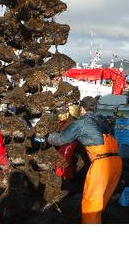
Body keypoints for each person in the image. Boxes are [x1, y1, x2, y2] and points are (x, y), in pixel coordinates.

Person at [47, 96, 123, 224]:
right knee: (101, 201)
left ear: (82, 108)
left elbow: (61, 139)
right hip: (116, 163)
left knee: (91, 204)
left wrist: (47, 137)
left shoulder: (81, 123)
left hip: (101, 166)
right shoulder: (102, 121)